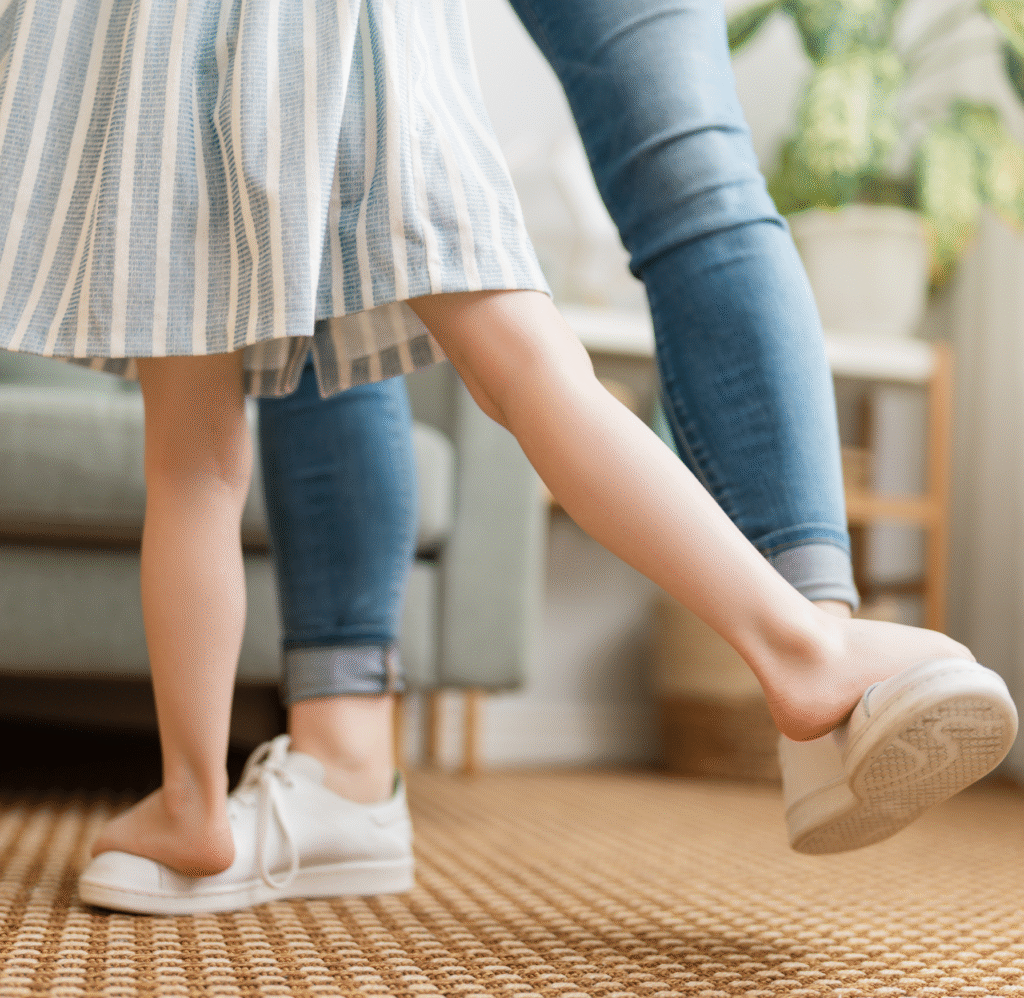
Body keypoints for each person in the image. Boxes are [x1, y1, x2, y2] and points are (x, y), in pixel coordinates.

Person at [0, 0, 1007, 914]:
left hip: (165, 64)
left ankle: (197, 799)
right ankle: (809, 645)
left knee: (193, 467)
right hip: (358, 41)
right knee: (553, 348)